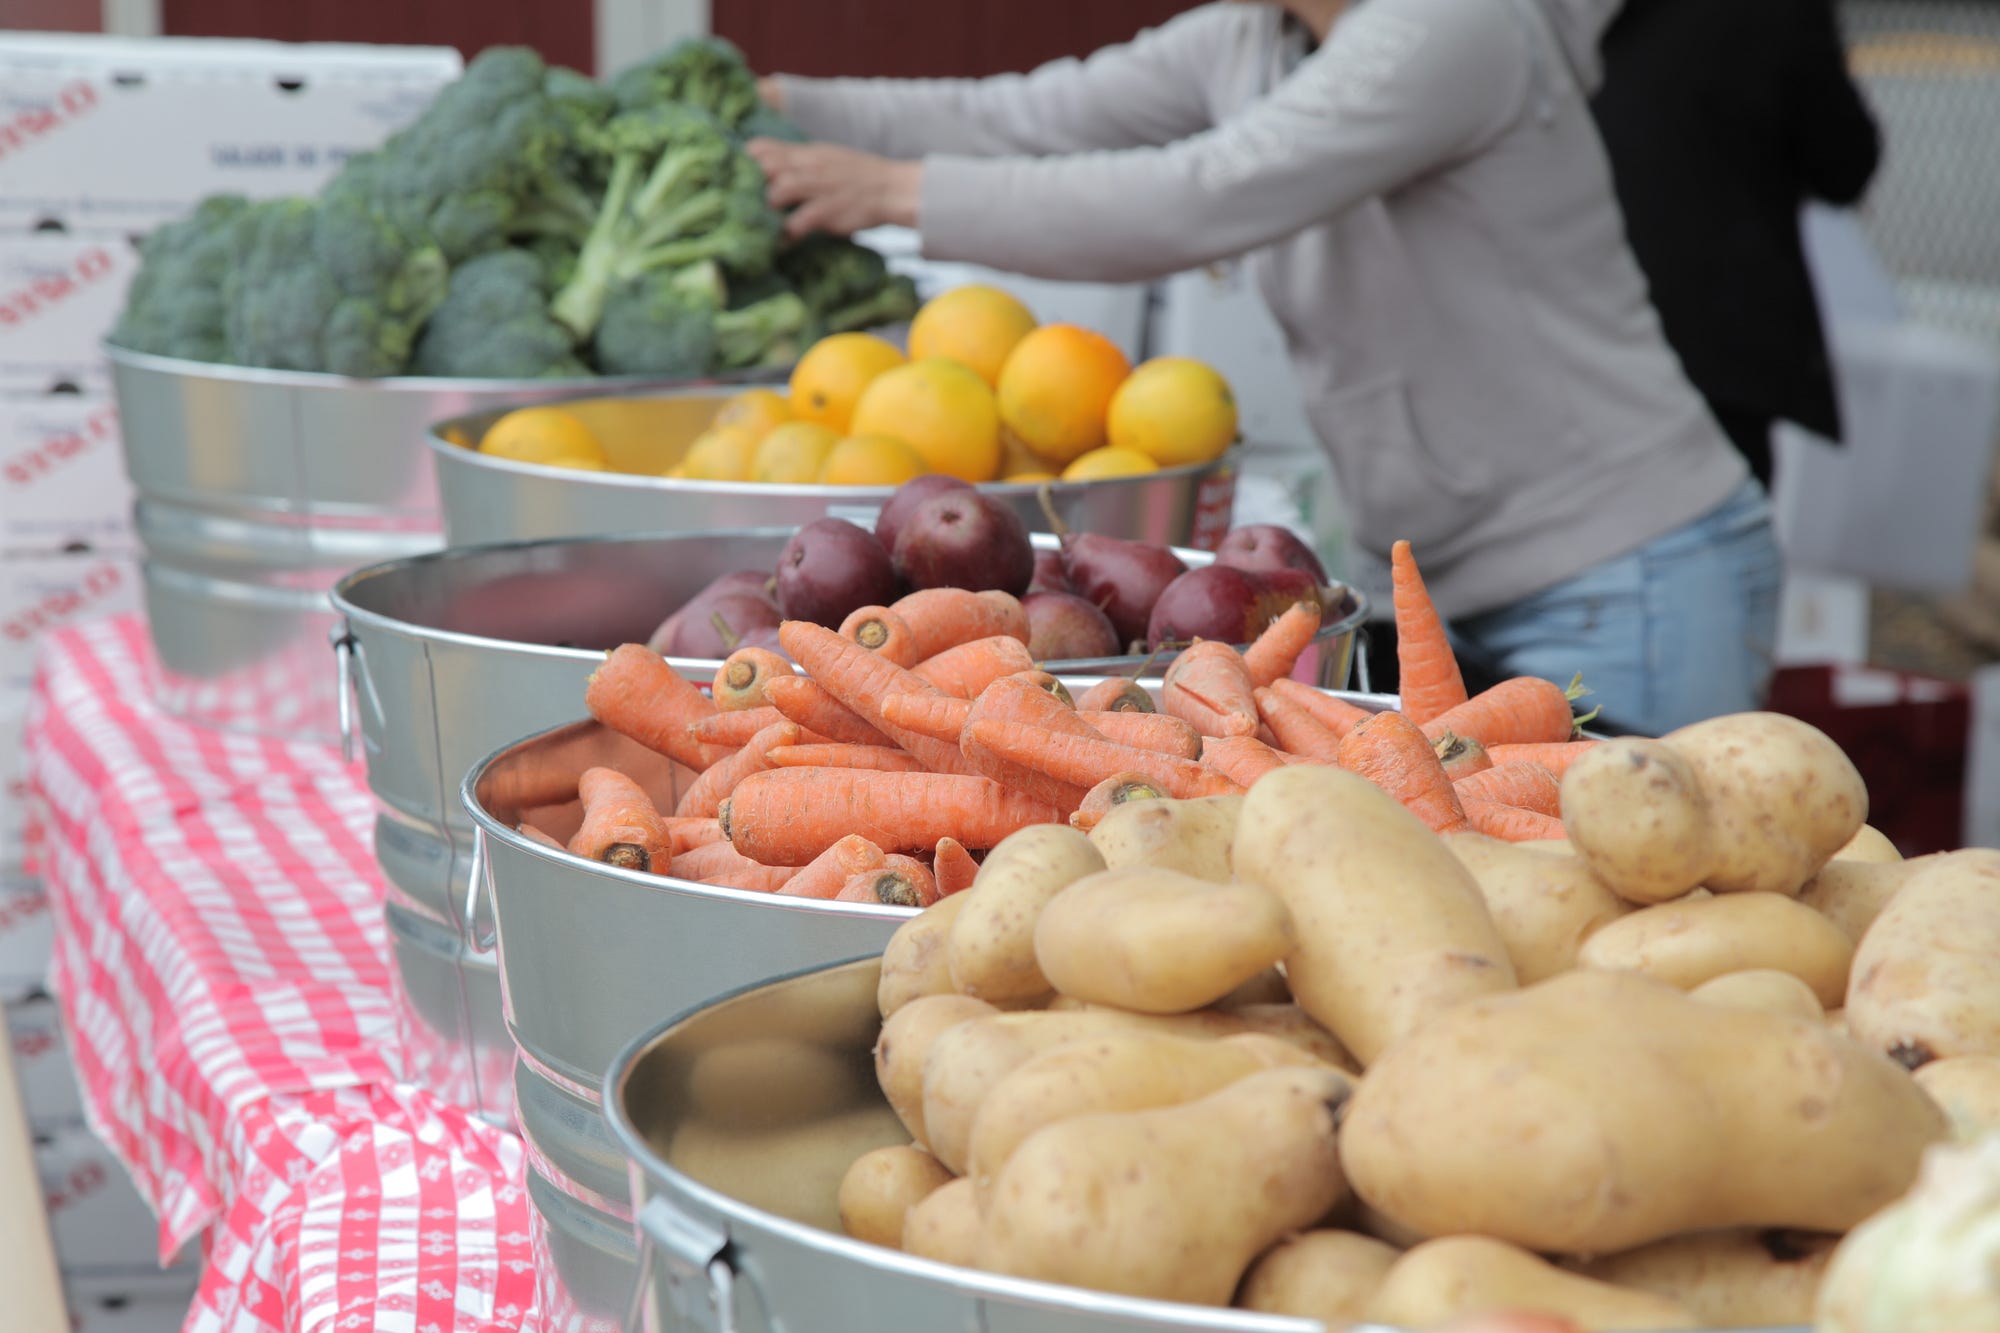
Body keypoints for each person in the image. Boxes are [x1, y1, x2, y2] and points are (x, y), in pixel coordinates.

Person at [745, 0, 1782, 737]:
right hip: (1449, 584)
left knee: (1644, 937)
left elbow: (1201, 194)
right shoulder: (1252, 36)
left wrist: (889, 191)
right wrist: (774, 104)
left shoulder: (1451, 27)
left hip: (1625, 569)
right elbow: (1023, 115)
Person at [1592, 0, 1883, 490]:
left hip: (1587, 324)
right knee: (1711, 527)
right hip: (1719, 337)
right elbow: (1844, 162)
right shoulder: (1775, 14)